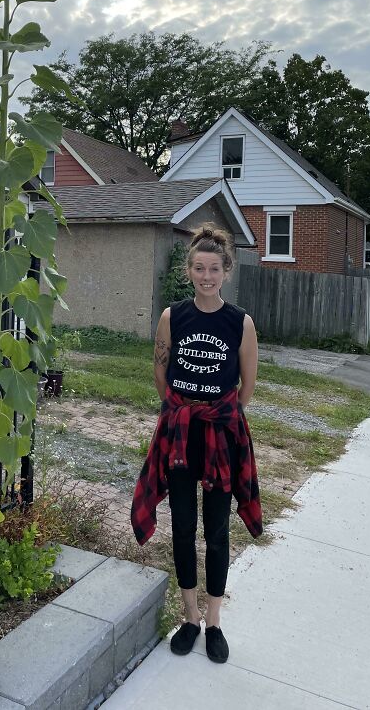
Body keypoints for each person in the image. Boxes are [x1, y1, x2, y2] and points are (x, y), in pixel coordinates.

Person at [131, 223, 262, 664]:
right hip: (181, 434)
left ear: (226, 271)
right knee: (184, 526)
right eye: (199, 268)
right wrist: (178, 411)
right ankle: (189, 617)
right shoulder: (173, 317)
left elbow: (246, 386)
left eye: (214, 268)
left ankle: (215, 622)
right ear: (189, 271)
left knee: (218, 532)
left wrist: (220, 415)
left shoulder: (240, 323)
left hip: (220, 436)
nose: (206, 276)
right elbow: (159, 372)